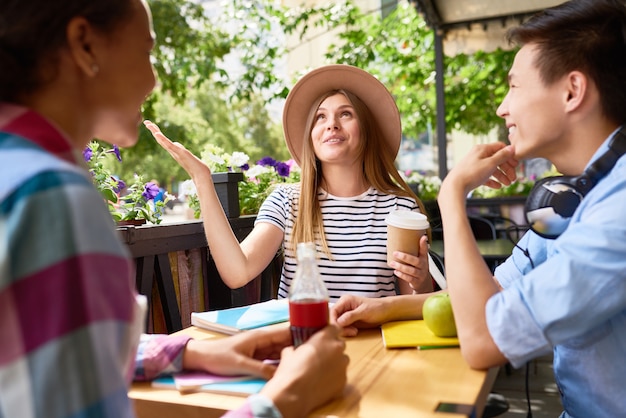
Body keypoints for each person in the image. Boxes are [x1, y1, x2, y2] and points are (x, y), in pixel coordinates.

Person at [0, 1, 348, 417]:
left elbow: (52, 348)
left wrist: (185, 353)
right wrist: (286, 398)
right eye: (147, 51)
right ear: (85, 45)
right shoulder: (49, 196)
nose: (153, 80)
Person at [333, 1, 626, 416]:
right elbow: (493, 297)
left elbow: (484, 339)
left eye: (514, 86)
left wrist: (453, 195)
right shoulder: (577, 196)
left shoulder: (618, 211)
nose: (502, 107)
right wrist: (382, 307)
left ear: (572, 91)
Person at [146, 64, 436, 301]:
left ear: (367, 131)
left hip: (374, 347)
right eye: (320, 117)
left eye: (345, 114)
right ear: (311, 135)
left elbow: (414, 301)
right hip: (301, 341)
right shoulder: (286, 201)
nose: (331, 124)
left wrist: (421, 280)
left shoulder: (399, 207)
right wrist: (202, 180)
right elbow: (238, 271)